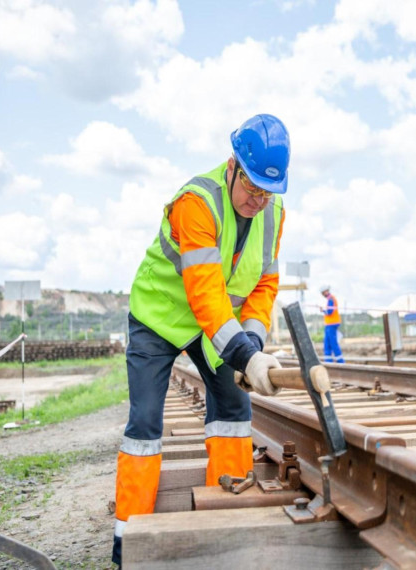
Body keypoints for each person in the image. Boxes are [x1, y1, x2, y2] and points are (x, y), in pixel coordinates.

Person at [112, 114, 290, 566]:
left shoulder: (274, 215)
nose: (258, 199)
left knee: (234, 407)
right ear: (232, 165)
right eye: (252, 187)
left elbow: (263, 286)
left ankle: (227, 513)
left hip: (215, 328)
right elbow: (205, 291)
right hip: (161, 318)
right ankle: (128, 537)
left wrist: (251, 346)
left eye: (268, 191)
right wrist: (246, 357)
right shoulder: (196, 202)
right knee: (145, 423)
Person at [320, 285, 345, 363]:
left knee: (333, 343)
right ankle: (328, 361)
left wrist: (323, 311)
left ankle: (341, 362)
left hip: (332, 324)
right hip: (329, 324)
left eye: (324, 292)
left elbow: (330, 312)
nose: (324, 294)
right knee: (327, 343)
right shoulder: (330, 299)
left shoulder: (331, 299)